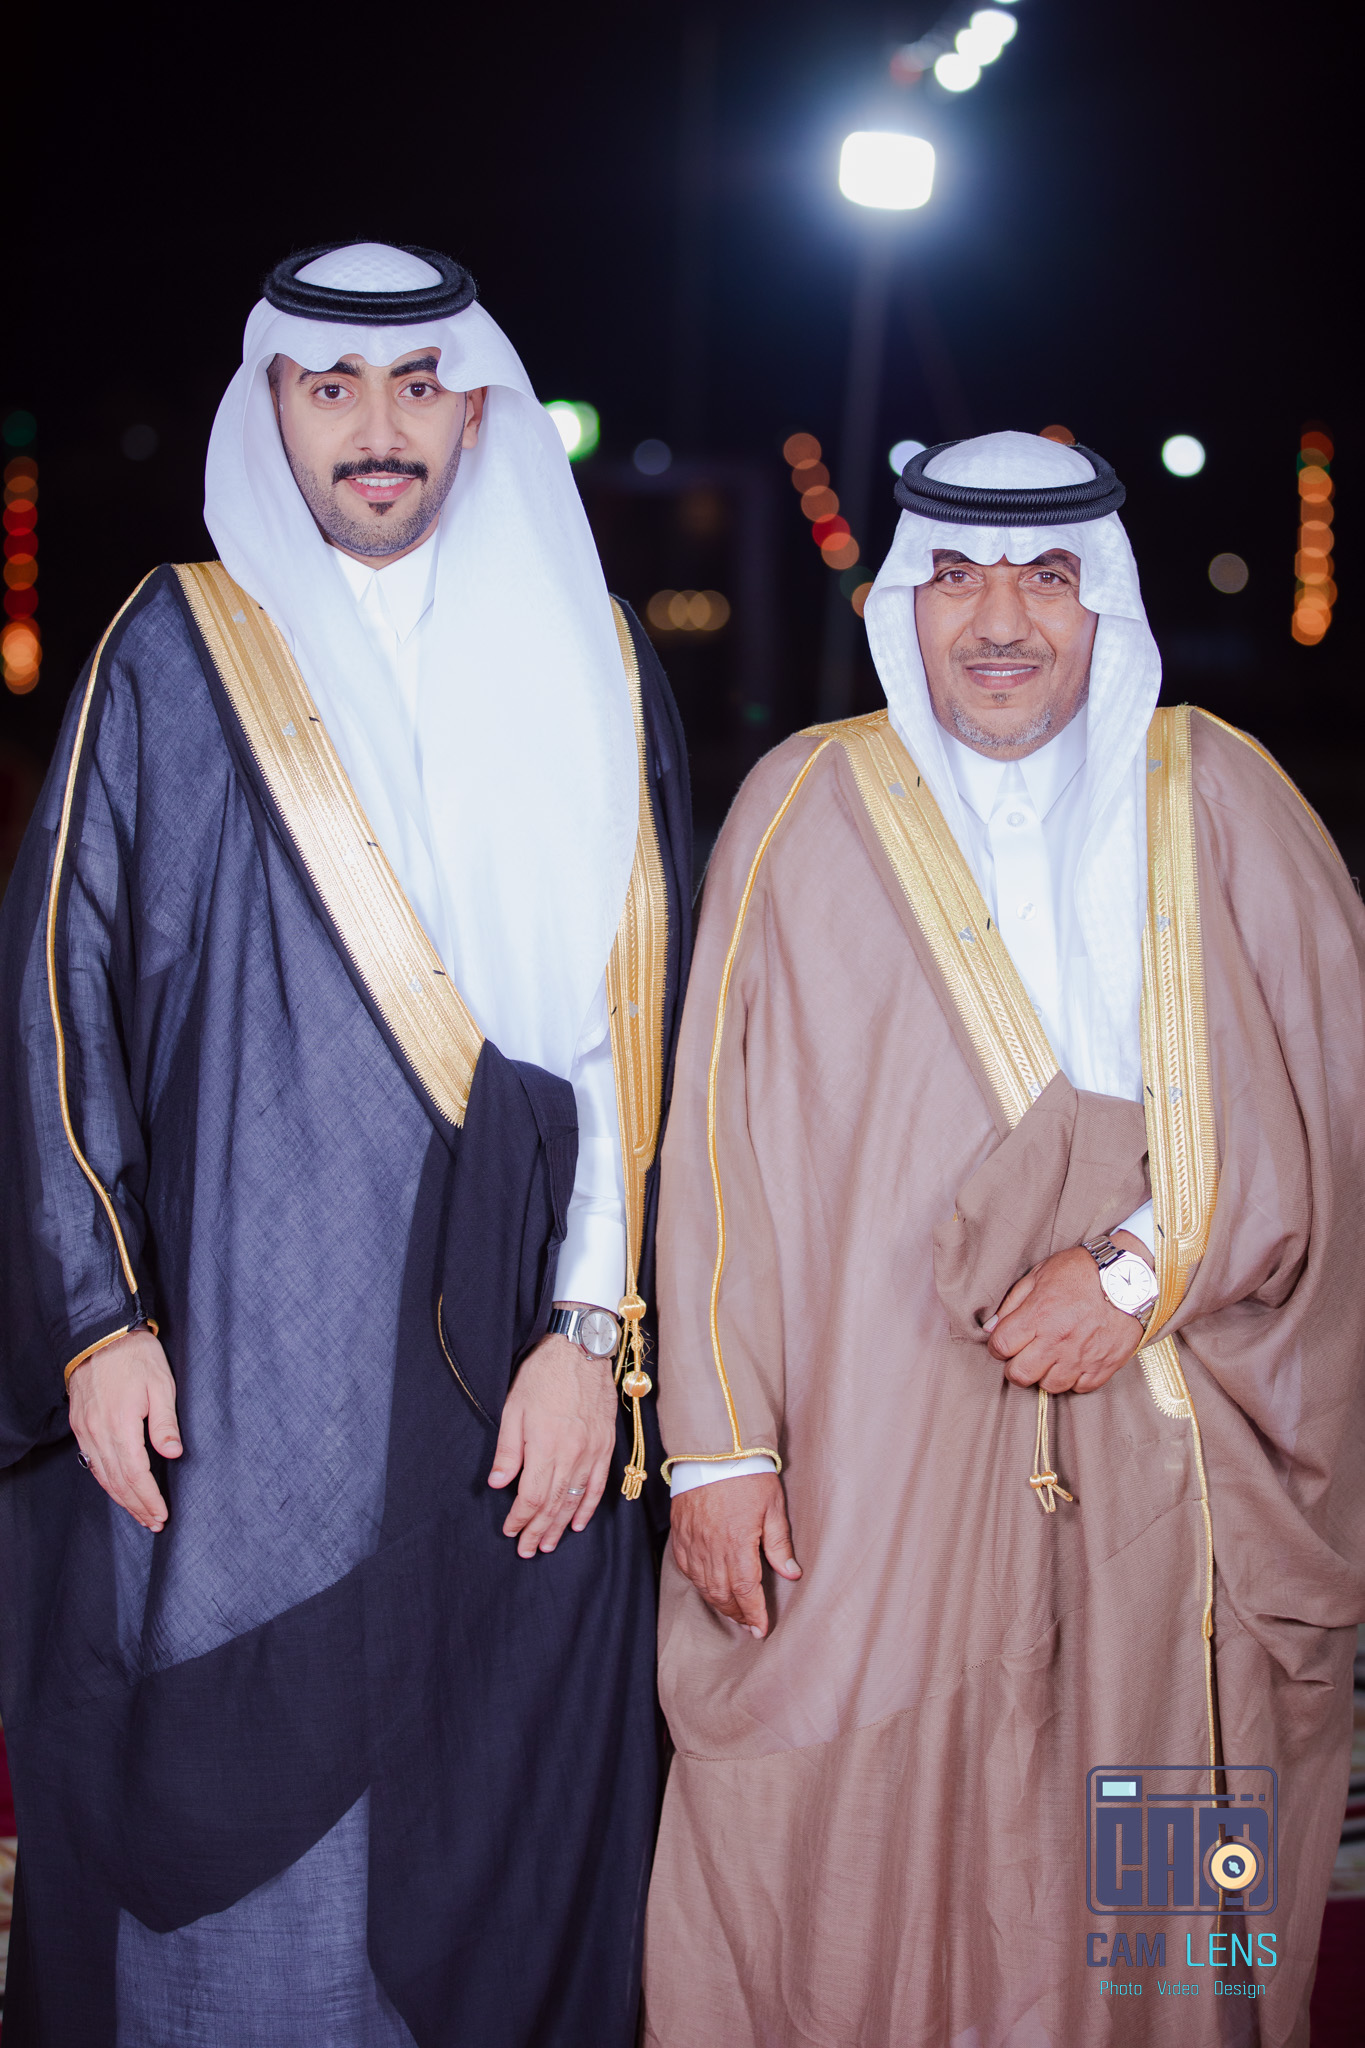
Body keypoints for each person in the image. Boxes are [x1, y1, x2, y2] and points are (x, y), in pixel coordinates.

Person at [0, 242, 691, 2048]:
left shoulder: (598, 660)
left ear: (476, 410)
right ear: (275, 412)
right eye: (330, 390)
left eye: (414, 386)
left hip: (526, 1379)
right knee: (230, 1816)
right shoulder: (178, 649)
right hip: (239, 1372)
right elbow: (59, 990)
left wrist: (593, 1336)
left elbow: (632, 1042)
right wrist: (99, 1318)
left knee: (506, 1806)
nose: (376, 429)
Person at [642, 431, 1365, 2046]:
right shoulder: (804, 802)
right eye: (955, 576)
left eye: (1046, 578)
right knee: (846, 1830)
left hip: (1170, 1451)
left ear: (1104, 601)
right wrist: (716, 1449)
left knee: (1163, 1869)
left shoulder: (1216, 791)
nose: (999, 620)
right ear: (904, 597)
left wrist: (1136, 1271)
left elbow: (1335, 1102)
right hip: (868, 1443)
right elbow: (715, 1149)